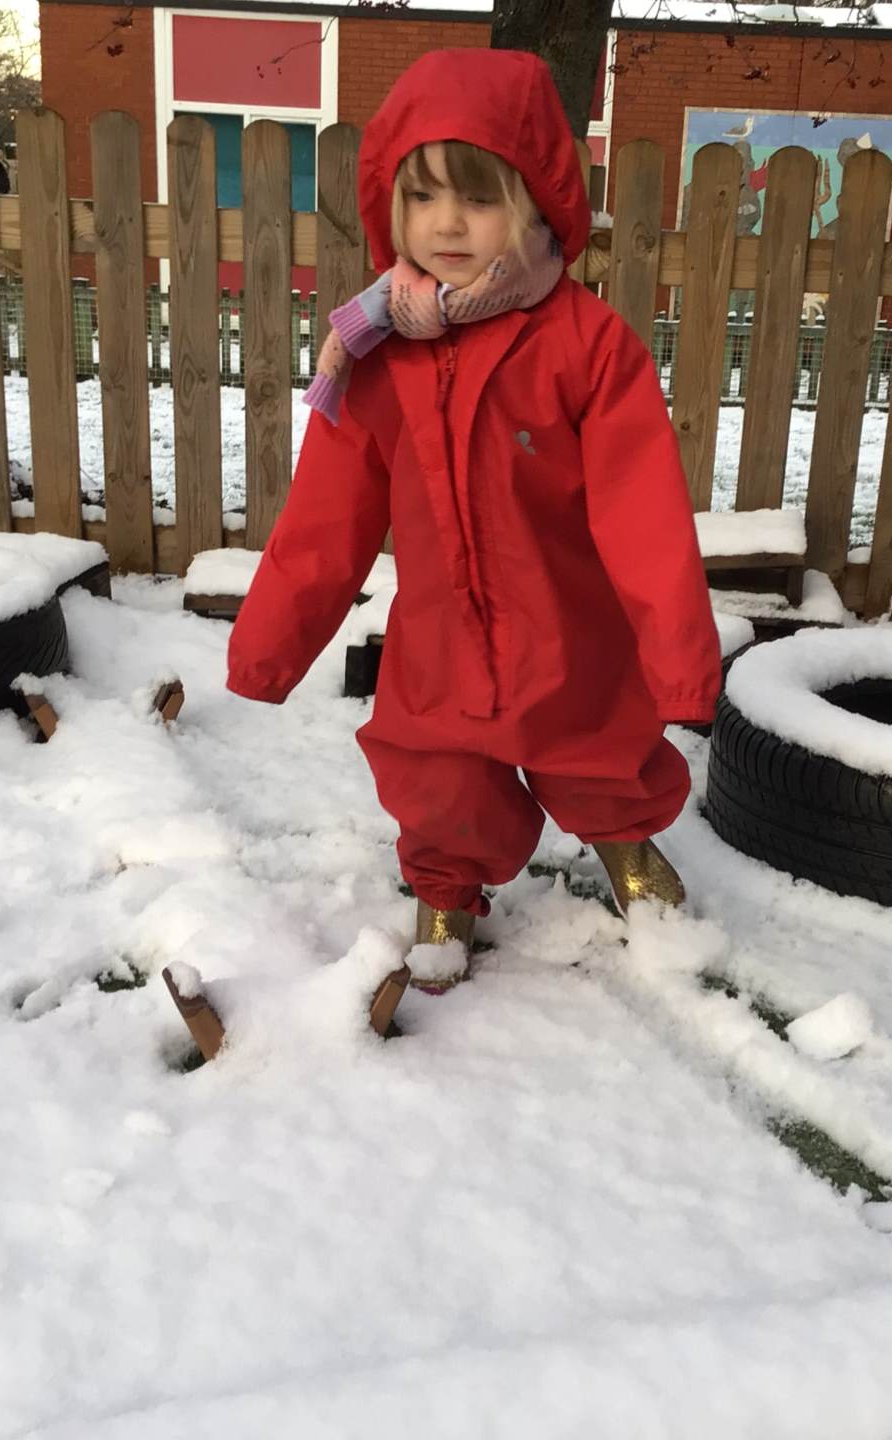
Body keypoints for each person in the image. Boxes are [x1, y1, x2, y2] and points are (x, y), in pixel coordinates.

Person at [226, 48, 719, 956]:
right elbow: (326, 517)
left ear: (535, 203)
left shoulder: (586, 346)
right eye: (421, 197)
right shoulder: (373, 350)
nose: (447, 223)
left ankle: (622, 839)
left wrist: (679, 658)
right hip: (441, 634)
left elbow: (643, 514)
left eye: (479, 198)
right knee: (436, 772)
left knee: (595, 745)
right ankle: (445, 886)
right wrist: (269, 647)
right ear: (391, 206)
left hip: (567, 621)